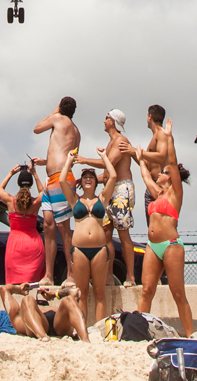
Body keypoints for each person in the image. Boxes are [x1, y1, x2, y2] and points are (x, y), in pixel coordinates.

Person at [135, 118, 195, 337]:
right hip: (153, 245)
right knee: (146, 291)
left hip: (171, 246)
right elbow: (143, 174)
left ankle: (190, 335)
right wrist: (139, 157)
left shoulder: (175, 193)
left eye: (163, 172)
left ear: (170, 177)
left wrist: (169, 137)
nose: (158, 173)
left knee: (178, 293)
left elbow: (171, 158)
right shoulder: (156, 193)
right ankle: (139, 333)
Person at [77, 109, 139, 284]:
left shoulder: (120, 141)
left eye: (106, 118)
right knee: (106, 233)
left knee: (123, 232)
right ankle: (108, 276)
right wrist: (87, 180)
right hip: (110, 189)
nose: (104, 121)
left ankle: (130, 277)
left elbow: (109, 163)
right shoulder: (111, 142)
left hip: (121, 189)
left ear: (112, 122)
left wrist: (84, 160)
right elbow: (106, 175)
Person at [63, 153, 117, 326]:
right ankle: (82, 329)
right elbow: (62, 180)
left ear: (96, 181)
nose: (88, 179)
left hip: (100, 249)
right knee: (82, 292)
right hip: (79, 249)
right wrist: (69, 161)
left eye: (91, 177)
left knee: (100, 293)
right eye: (85, 177)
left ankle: (100, 330)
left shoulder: (102, 198)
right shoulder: (74, 199)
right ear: (81, 181)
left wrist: (103, 156)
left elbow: (113, 175)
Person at [33, 98, 81, 284]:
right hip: (52, 178)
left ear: (60, 107)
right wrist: (45, 162)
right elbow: (66, 153)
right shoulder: (76, 130)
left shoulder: (58, 119)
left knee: (63, 228)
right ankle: (49, 276)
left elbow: (37, 128)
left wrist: (54, 111)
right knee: (49, 226)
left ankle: (71, 274)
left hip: (61, 179)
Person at [0, 160, 44, 284]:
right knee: (32, 285)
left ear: (18, 184)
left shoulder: (10, 201)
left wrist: (10, 173)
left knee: (14, 284)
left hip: (15, 244)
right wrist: (35, 174)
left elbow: (0, 189)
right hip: (33, 243)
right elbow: (43, 193)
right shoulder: (35, 203)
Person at [3, 283, 90, 341]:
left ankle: (85, 340)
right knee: (27, 299)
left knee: (69, 300)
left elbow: (74, 293)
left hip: (59, 324)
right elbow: (4, 289)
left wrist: (55, 294)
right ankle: (43, 337)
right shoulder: (20, 315)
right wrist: (19, 289)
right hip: (36, 326)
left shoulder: (53, 307)